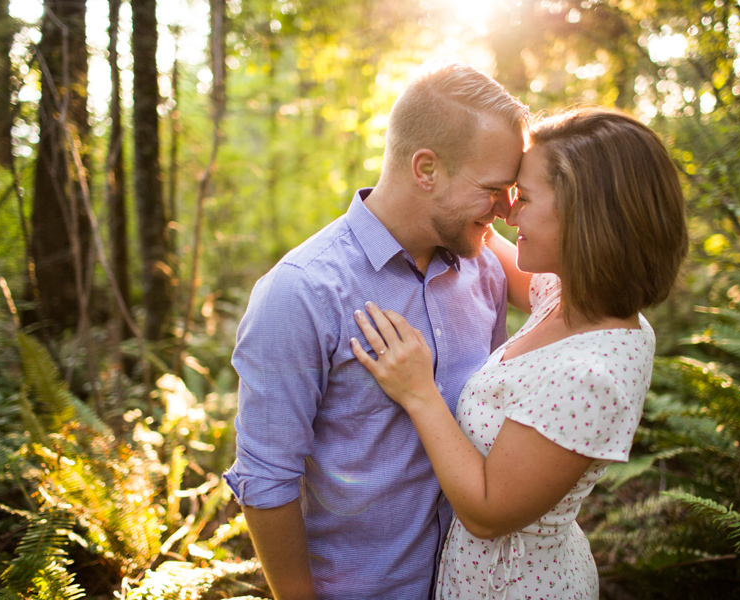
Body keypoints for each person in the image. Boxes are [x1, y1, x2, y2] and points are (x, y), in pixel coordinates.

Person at [351, 107, 689, 599]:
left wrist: (419, 392)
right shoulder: (575, 296)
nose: (507, 212)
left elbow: (488, 512)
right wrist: (449, 199)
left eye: (523, 199)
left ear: (585, 216)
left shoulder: (588, 373)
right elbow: (486, 241)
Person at [222, 61, 529, 599]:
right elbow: (266, 481)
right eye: (495, 188)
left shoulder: (484, 270)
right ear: (426, 169)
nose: (508, 210)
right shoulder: (301, 293)